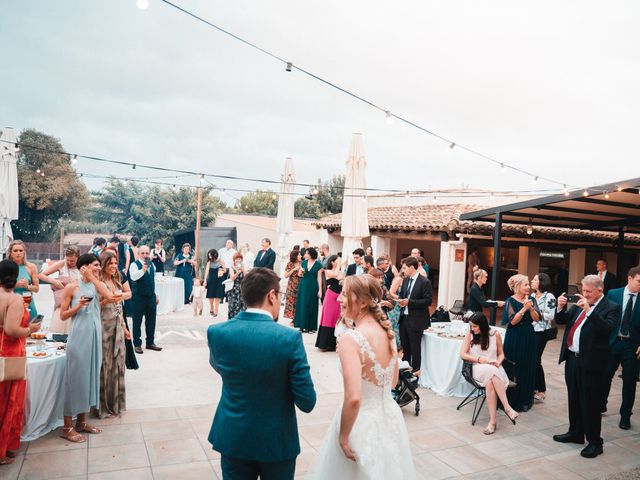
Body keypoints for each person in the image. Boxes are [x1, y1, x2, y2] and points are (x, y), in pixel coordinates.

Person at [208, 268, 316, 479]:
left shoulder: (217, 332)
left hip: (233, 436)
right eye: (280, 295)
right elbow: (307, 402)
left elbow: (219, 366)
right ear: (271, 295)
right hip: (276, 441)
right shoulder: (289, 338)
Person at [312, 274, 415, 479]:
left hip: (361, 423)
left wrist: (343, 437)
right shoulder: (388, 333)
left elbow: (354, 398)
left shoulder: (351, 339)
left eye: (344, 294)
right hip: (390, 419)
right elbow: (393, 382)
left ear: (362, 302)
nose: (339, 299)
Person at [553, 275, 619, 458]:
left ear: (600, 290)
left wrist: (590, 310)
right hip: (573, 360)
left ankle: (595, 442)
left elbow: (606, 329)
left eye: (588, 291)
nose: (584, 294)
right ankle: (575, 433)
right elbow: (561, 320)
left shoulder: (611, 307)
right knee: (573, 397)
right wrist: (560, 306)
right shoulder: (579, 305)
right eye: (583, 290)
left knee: (590, 402)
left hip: (592, 362)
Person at [59, 253, 113, 443]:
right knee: (75, 380)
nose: (99, 268)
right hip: (79, 336)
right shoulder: (72, 287)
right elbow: (63, 316)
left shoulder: (96, 285)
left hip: (95, 335)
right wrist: (78, 307)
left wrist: (93, 278)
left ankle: (82, 422)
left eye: (99, 265)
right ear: (84, 267)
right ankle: (67, 427)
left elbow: (109, 295)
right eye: (95, 265)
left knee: (90, 378)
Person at [0, 259, 41, 465]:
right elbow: (11, 330)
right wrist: (30, 330)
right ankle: (3, 448)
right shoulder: (12, 299)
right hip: (10, 351)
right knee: (9, 401)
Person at [460, 312, 519, 434]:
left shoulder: (495, 334)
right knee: (491, 372)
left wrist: (498, 362)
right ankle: (507, 408)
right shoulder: (469, 335)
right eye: (471, 326)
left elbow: (501, 354)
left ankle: (492, 422)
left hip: (494, 368)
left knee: (490, 383)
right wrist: (479, 359)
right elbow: (462, 354)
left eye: (475, 326)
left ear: (483, 325)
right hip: (477, 367)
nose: (472, 329)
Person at [602, 266, 640, 430]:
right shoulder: (613, 294)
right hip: (612, 343)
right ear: (629, 278)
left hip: (632, 346)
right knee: (605, 376)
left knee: (630, 381)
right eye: (639, 281)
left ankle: (625, 415)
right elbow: (603, 316)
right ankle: (600, 405)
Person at [95, 252, 132, 419]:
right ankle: (103, 406)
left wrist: (124, 328)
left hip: (117, 325)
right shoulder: (98, 283)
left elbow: (119, 308)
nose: (113, 266)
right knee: (105, 364)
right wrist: (105, 301)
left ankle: (116, 403)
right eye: (110, 263)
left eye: (115, 263)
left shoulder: (116, 280)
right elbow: (94, 306)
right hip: (104, 326)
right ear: (103, 264)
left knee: (118, 363)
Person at [501, 274, 538, 412]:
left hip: (529, 336)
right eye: (526, 285)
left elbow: (537, 319)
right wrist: (524, 308)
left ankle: (525, 399)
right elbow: (513, 321)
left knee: (527, 365)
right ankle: (511, 400)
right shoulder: (510, 301)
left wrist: (532, 308)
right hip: (515, 336)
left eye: (529, 284)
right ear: (517, 286)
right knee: (514, 366)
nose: (528, 287)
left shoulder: (532, 300)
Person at [397, 256, 432, 375]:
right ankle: (405, 372)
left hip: (416, 320)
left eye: (404, 268)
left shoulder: (424, 282)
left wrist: (409, 302)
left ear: (412, 267)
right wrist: (401, 302)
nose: (403, 270)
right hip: (404, 318)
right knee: (405, 347)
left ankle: (416, 373)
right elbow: (402, 295)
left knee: (415, 349)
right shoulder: (406, 280)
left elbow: (428, 301)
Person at [39, 245, 81, 334]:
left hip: (78, 302)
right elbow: (41, 275)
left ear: (78, 257)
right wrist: (54, 281)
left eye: (72, 261)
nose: (69, 262)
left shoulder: (83, 265)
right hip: (63, 304)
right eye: (68, 260)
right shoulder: (62, 264)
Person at [130, 246, 162, 354]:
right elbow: (133, 277)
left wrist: (155, 294)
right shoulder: (134, 265)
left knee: (151, 321)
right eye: (142, 253)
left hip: (151, 296)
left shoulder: (152, 264)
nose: (145, 255)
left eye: (147, 253)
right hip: (138, 296)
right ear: (138, 254)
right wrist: (142, 270)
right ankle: (137, 344)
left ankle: (150, 343)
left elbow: (153, 280)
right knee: (137, 322)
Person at [530, 273, 556, 402]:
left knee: (536, 359)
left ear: (541, 282)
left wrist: (535, 312)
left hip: (542, 331)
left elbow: (550, 315)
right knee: (531, 358)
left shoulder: (549, 296)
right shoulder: (533, 295)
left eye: (534, 279)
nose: (532, 281)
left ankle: (541, 389)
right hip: (531, 330)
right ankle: (533, 386)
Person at [316, 255, 343, 351]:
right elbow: (335, 275)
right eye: (336, 260)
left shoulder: (340, 272)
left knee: (336, 318)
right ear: (332, 262)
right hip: (330, 296)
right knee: (328, 318)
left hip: (339, 296)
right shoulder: (327, 271)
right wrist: (339, 263)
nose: (338, 261)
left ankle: (333, 344)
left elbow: (342, 280)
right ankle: (324, 344)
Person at [6, 240, 39, 321]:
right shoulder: (5, 266)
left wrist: (27, 286)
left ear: (24, 252)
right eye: (15, 250)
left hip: (28, 303)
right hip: (11, 303)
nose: (18, 253)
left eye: (21, 250)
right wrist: (15, 285)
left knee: (30, 330)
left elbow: (37, 289)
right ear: (10, 252)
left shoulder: (32, 267)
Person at [294, 248, 323, 333]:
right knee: (302, 304)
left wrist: (320, 290)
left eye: (306, 253)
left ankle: (310, 327)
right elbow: (300, 274)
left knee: (312, 305)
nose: (305, 255)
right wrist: (300, 272)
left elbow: (319, 278)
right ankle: (302, 326)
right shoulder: (303, 262)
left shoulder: (318, 265)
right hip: (303, 285)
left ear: (311, 254)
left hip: (313, 285)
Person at [204, 249, 225, 316]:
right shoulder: (209, 262)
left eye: (210, 255)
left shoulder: (221, 260)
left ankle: (216, 309)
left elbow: (225, 270)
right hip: (211, 280)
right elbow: (206, 272)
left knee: (218, 295)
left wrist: (221, 270)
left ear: (214, 255)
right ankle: (211, 306)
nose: (209, 256)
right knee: (211, 294)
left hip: (219, 279)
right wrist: (205, 280)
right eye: (209, 255)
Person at [284, 250, 302, 324]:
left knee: (298, 302)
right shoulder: (290, 264)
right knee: (291, 302)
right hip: (292, 285)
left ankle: (297, 319)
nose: (301, 256)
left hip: (300, 284)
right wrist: (294, 269)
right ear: (295, 256)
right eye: (299, 255)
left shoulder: (302, 263)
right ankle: (293, 319)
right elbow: (286, 275)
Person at [227, 253, 246, 319]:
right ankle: (232, 320)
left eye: (240, 259)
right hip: (234, 288)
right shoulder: (231, 267)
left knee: (242, 305)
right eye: (237, 259)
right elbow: (232, 278)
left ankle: (241, 320)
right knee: (233, 306)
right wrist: (237, 272)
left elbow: (246, 277)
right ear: (234, 260)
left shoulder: (243, 266)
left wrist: (243, 270)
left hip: (242, 288)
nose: (238, 260)